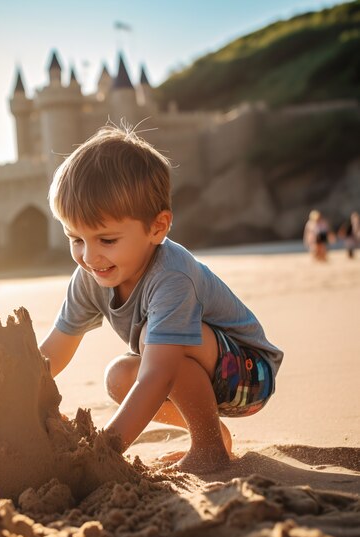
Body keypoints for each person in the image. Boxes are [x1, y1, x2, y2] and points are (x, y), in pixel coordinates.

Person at [39, 126, 283, 474]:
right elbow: (55, 349)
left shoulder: (172, 276)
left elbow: (157, 375)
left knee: (152, 344)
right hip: (195, 367)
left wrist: (105, 451)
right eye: (75, 238)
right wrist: (12, 387)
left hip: (249, 376)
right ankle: (213, 432)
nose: (89, 256)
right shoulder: (92, 276)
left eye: (106, 239)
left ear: (158, 228)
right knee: (120, 376)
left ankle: (208, 446)